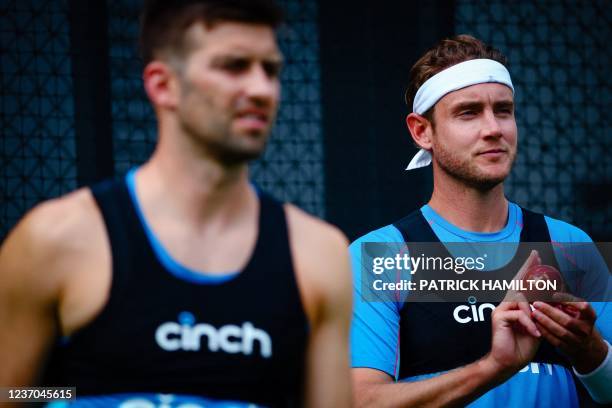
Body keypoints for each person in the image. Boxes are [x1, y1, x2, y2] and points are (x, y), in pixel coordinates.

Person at [0, 1, 352, 407]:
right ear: (162, 85)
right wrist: (77, 395)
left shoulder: (318, 254)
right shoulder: (57, 237)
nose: (261, 89)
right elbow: (13, 394)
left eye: (270, 70)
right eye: (233, 66)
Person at [350, 35, 611, 407]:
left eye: (503, 110)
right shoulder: (380, 255)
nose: (494, 128)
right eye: (468, 112)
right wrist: (493, 367)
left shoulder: (569, 244)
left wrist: (591, 353)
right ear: (421, 131)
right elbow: (362, 401)